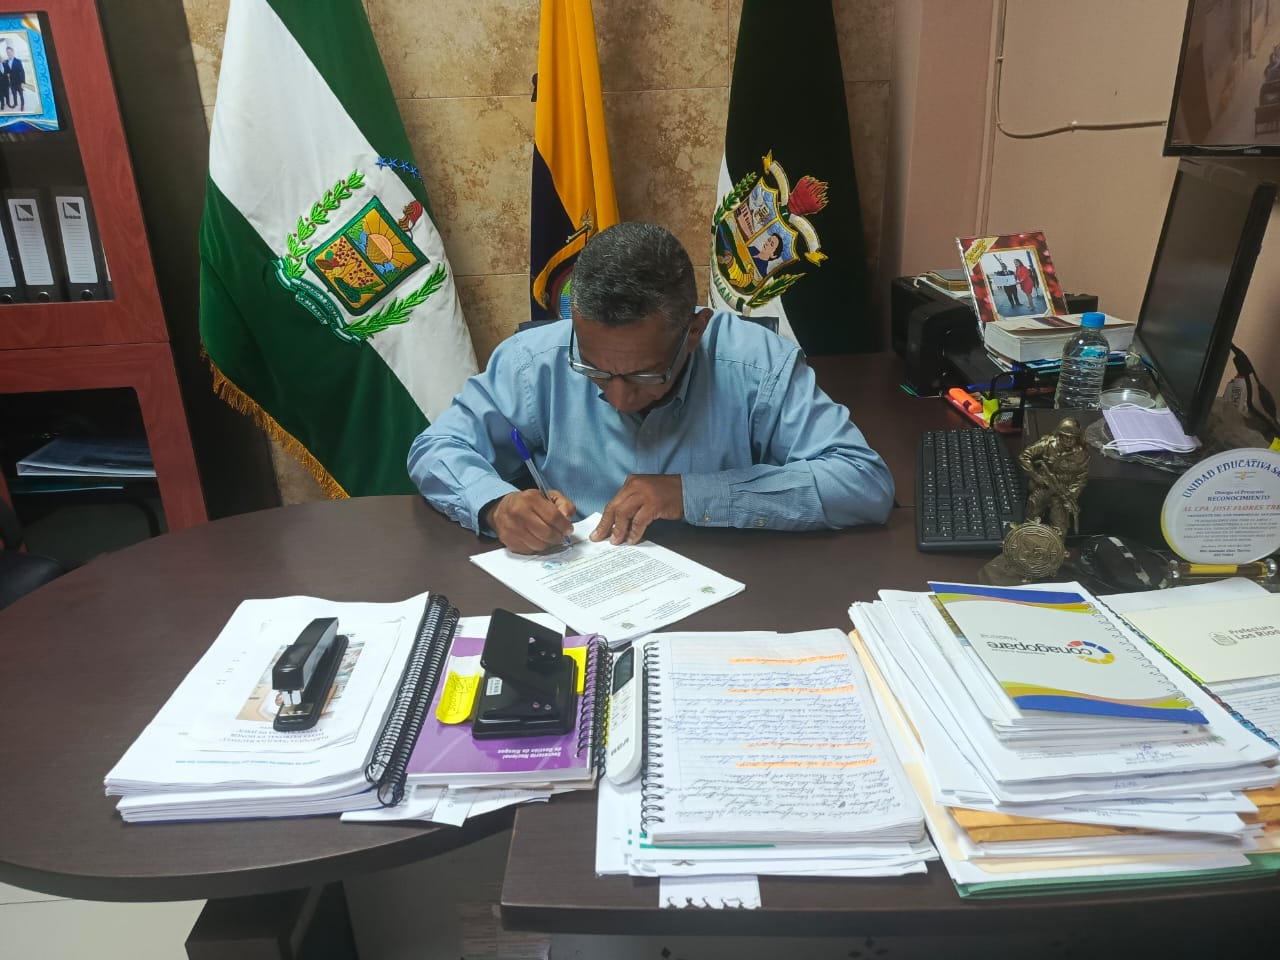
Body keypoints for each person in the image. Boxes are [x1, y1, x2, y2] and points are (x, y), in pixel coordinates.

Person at [408, 221, 894, 555]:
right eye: (595, 370)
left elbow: (863, 482)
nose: (619, 398)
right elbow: (436, 448)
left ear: (695, 331)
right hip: (577, 584)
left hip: (731, 583)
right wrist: (496, 505)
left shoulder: (755, 363)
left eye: (646, 375)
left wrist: (693, 494)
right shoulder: (534, 361)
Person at [1018, 417, 1089, 534]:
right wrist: (1036, 477)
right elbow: (1024, 456)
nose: (1069, 440)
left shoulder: (1081, 454)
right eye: (1065, 436)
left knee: (1060, 527)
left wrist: (1071, 494)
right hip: (1043, 487)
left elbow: (1082, 477)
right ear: (1060, 435)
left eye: (1072, 437)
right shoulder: (1047, 444)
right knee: (1031, 513)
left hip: (1062, 492)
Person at [5, 46, 24, 112]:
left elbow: (22, 72)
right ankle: (15, 104)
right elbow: (6, 71)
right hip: (12, 82)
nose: (9, 54)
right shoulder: (6, 62)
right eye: (7, 52)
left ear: (13, 52)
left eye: (10, 52)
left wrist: (22, 82)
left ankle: (22, 105)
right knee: (14, 94)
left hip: (18, 82)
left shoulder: (18, 61)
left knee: (21, 94)